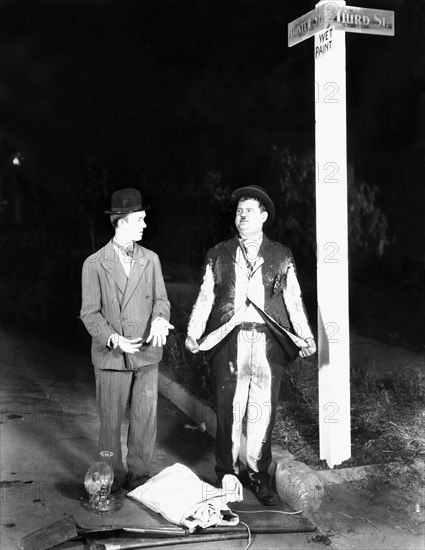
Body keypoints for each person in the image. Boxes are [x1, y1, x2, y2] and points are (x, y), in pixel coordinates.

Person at [185, 185, 316, 506]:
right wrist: (194, 331)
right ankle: (227, 473)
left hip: (268, 343)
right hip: (230, 340)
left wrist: (305, 334)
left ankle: (257, 473)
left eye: (248, 211)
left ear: (264, 216)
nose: (241, 216)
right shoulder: (218, 253)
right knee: (230, 408)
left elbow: (293, 298)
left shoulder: (281, 255)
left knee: (262, 410)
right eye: (238, 211)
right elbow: (205, 296)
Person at [80, 187, 173, 492]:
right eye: (140, 219)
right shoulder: (94, 264)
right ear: (120, 221)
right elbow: (90, 314)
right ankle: (110, 476)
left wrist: (160, 318)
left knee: (145, 419)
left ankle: (140, 477)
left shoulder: (151, 259)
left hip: (146, 353)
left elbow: (162, 300)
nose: (145, 225)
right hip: (112, 355)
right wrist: (113, 339)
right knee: (110, 423)